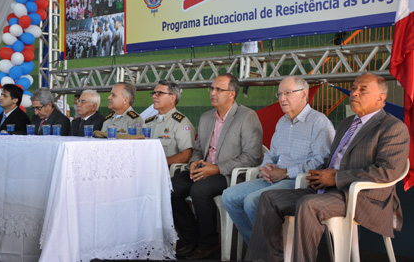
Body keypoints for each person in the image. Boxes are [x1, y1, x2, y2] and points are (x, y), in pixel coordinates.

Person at [245, 73, 410, 262]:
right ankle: (267, 259)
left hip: (362, 197)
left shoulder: (393, 127)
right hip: (326, 189)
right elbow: (332, 160)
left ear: (381, 98)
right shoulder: (347, 123)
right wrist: (319, 173)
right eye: (354, 88)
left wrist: (337, 178)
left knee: (308, 205)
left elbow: (388, 172)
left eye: (362, 90)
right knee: (268, 199)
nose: (354, 93)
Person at [221, 76, 335, 245]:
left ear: (304, 94)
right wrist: (266, 167)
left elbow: (322, 161)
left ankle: (272, 252)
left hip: (298, 181)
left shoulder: (319, 122)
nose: (282, 99)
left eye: (288, 93)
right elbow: (271, 153)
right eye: (280, 94)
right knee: (228, 196)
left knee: (252, 201)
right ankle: (259, 247)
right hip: (273, 178)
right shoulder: (282, 122)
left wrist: (286, 172)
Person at [172, 73, 263, 260]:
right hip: (203, 169)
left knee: (199, 190)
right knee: (170, 188)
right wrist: (194, 162)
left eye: (218, 89)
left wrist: (217, 168)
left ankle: (209, 244)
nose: (213, 93)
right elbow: (198, 149)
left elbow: (252, 157)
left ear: (232, 94)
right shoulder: (206, 117)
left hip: (229, 173)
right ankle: (192, 238)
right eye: (212, 88)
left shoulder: (247, 116)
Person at [145, 80, 196, 165]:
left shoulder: (181, 123)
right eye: (153, 93)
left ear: (172, 97)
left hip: (166, 173)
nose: (154, 96)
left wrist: (159, 163)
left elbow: (186, 155)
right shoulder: (148, 122)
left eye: (159, 93)